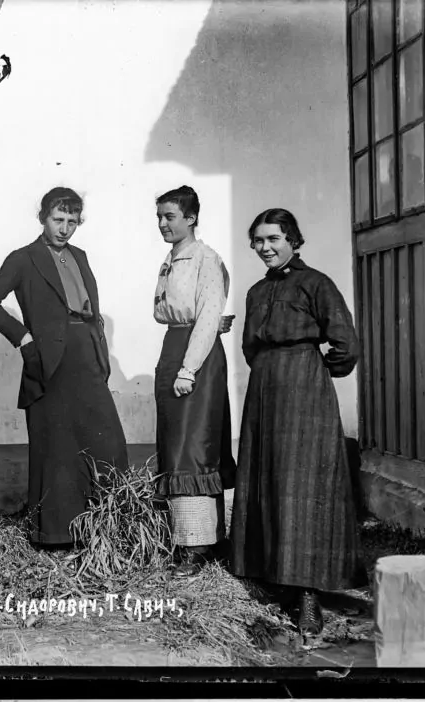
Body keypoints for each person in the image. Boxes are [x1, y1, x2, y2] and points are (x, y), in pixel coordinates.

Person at [229, 208, 365, 635]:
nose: (265, 247)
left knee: (304, 486)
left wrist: (313, 372)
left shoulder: (317, 284)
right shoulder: (255, 292)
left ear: (293, 240)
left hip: (305, 391)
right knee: (268, 478)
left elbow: (346, 345)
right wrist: (271, 370)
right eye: (258, 241)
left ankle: (308, 595)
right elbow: (250, 347)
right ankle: (269, 574)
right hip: (264, 390)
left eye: (273, 239)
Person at [0, 187, 128, 547]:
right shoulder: (23, 259)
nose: (64, 228)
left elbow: (90, 310)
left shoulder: (80, 256)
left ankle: (107, 529)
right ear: (42, 217)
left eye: (72, 221)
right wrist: (24, 339)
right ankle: (57, 535)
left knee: (106, 440)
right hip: (50, 362)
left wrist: (100, 351)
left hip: (87, 355)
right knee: (56, 447)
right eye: (58, 219)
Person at [151, 186, 237, 576]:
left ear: (191, 218)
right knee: (175, 444)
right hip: (174, 347)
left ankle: (198, 546)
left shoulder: (206, 258)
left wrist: (189, 369)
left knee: (193, 446)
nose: (162, 223)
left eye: (170, 216)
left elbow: (207, 316)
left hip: (195, 355)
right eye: (159, 216)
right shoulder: (171, 259)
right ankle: (190, 538)